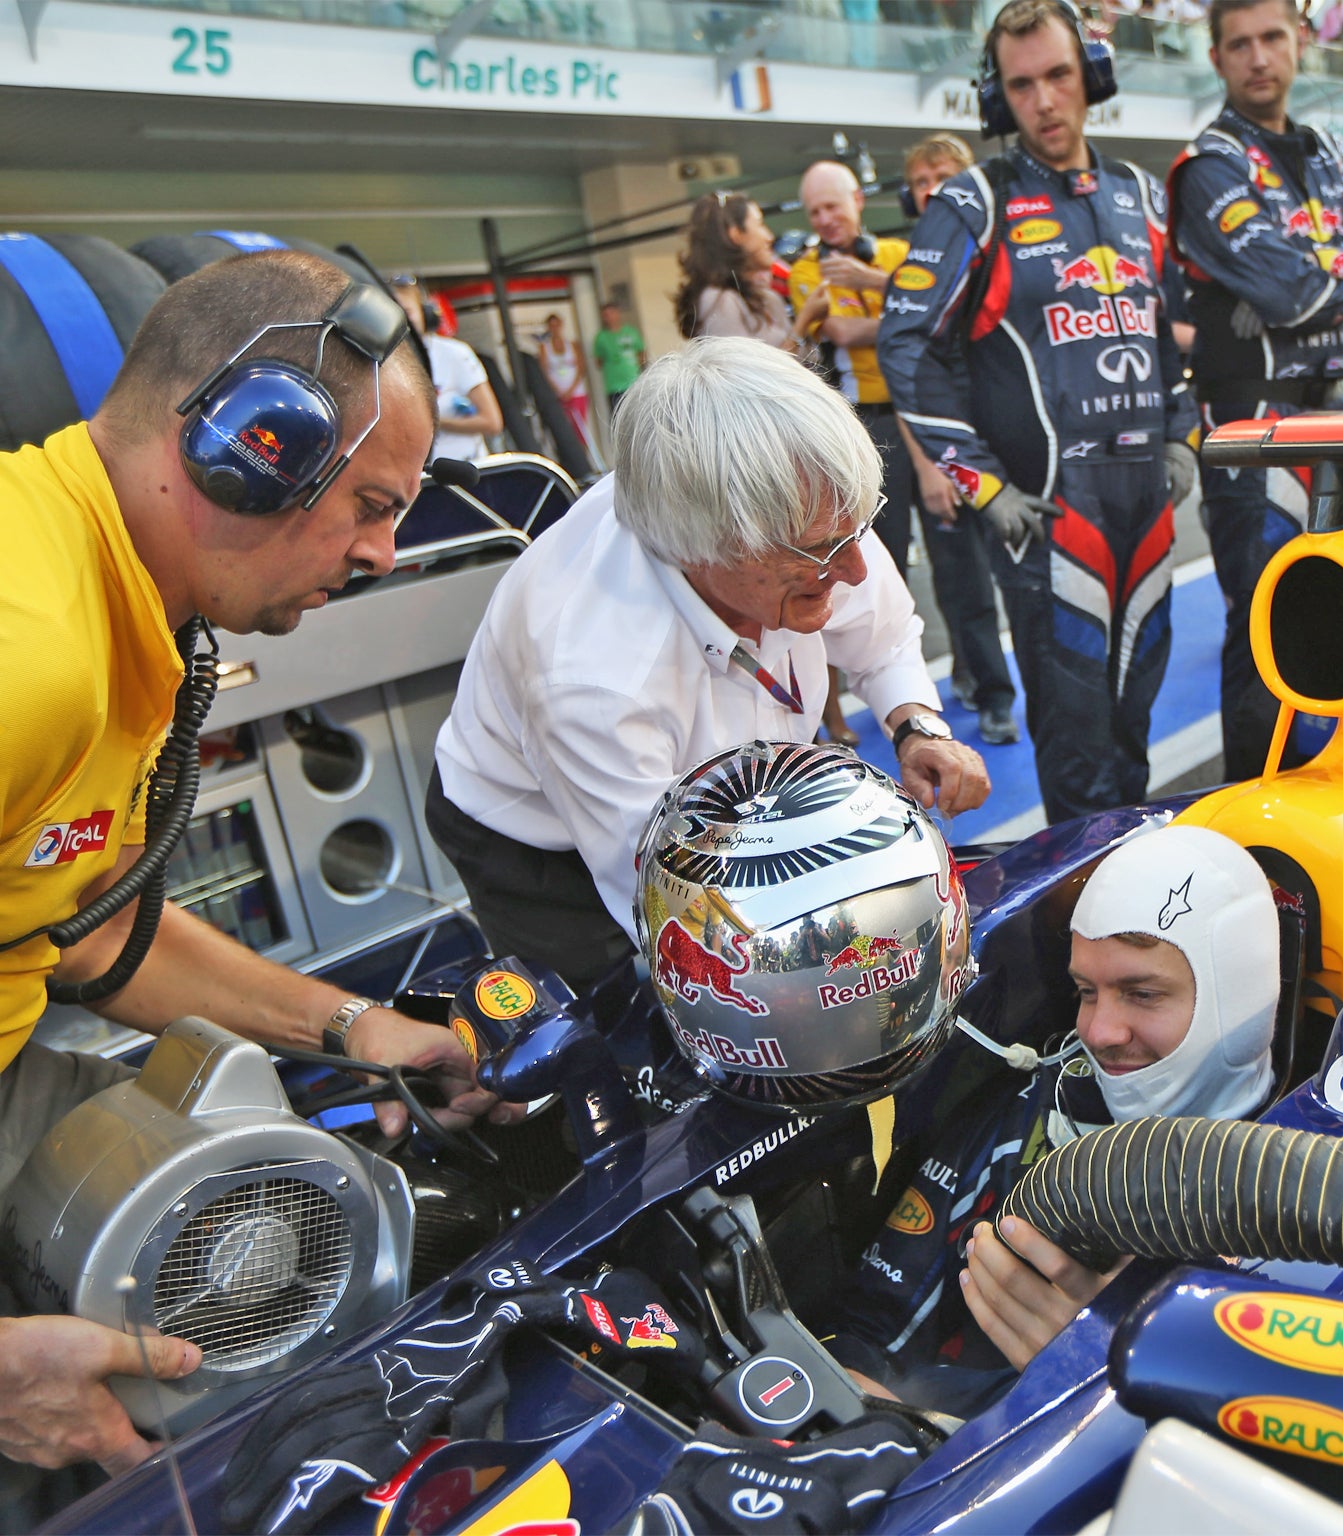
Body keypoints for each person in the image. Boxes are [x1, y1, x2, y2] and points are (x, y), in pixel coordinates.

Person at [0, 251, 503, 1500]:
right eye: (374, 506)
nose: (387, 553)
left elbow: (88, 922)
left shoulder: (116, 599)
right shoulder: (30, 658)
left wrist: (358, 1029)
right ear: (249, 449)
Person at [426, 339, 991, 991]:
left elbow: (884, 636)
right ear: (706, 549)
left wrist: (917, 725)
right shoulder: (594, 676)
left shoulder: (812, 514)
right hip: (539, 836)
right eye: (821, 552)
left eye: (858, 530)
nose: (855, 570)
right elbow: (671, 903)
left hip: (732, 771)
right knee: (625, 1013)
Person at [828, 823, 1281, 1410]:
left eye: (1141, 993)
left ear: (1236, 995)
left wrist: (1106, 1371)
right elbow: (867, 1326)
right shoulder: (1041, 1106)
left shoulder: (1310, 1194)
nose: (1098, 1032)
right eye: (1087, 992)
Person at [879, 0, 1200, 825]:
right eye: (1022, 85)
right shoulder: (972, 203)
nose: (1045, 100)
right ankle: (1079, 924)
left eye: (1059, 76)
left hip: (1146, 506)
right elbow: (906, 346)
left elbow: (1165, 325)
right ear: (999, 98)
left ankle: (1131, 896)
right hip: (1048, 518)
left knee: (1133, 726)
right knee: (1077, 743)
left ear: (1090, 75)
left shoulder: (1137, 194)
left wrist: (1180, 431)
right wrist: (981, 485)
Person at [1169, 0, 1343, 783]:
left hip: (1335, 422)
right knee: (1266, 633)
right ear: (1216, 58)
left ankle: (1328, 793)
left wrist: (1320, 269)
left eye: (1272, 38)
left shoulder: (1330, 154)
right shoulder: (1208, 166)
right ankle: (1255, 813)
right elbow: (1287, 291)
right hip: (1253, 430)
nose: (1257, 58)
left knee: (1339, 619)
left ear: (1299, 43)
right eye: (1238, 44)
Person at [895, 133, 1018, 746]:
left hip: (1015, 451)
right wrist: (929, 466)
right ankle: (996, 697)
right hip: (947, 456)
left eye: (946, 176)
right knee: (964, 585)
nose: (934, 189)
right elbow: (908, 377)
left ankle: (986, 677)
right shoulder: (911, 266)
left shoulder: (1003, 253)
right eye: (922, 180)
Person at [788, 161, 918, 579]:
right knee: (887, 552)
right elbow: (841, 331)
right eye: (814, 212)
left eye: (832, 206)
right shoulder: (808, 270)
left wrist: (874, 283)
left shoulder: (897, 254)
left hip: (922, 410)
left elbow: (939, 319)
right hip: (868, 424)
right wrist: (906, 316)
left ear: (858, 200)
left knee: (959, 553)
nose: (824, 220)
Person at [390, 273, 504, 465]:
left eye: (408, 313)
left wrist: (436, 422)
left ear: (426, 315)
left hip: (466, 470)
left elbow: (492, 422)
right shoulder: (385, 363)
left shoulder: (455, 354)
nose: (403, 322)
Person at [674, 192, 810, 351]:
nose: (769, 237)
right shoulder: (719, 300)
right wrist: (804, 322)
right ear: (736, 234)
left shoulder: (767, 297)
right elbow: (745, 372)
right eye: (759, 224)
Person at [538, 312, 591, 444]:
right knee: (564, 431)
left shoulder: (572, 345)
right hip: (558, 395)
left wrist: (571, 390)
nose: (554, 328)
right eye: (551, 326)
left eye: (557, 325)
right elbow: (544, 371)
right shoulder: (545, 347)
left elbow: (581, 369)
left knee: (580, 430)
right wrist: (557, 391)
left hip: (576, 392)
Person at [592, 300, 647, 415]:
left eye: (611, 313)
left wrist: (638, 368)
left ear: (618, 313)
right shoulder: (601, 337)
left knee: (638, 415)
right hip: (614, 387)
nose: (609, 317)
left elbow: (641, 352)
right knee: (619, 418)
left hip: (634, 383)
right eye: (606, 315)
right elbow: (598, 361)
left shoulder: (631, 332)